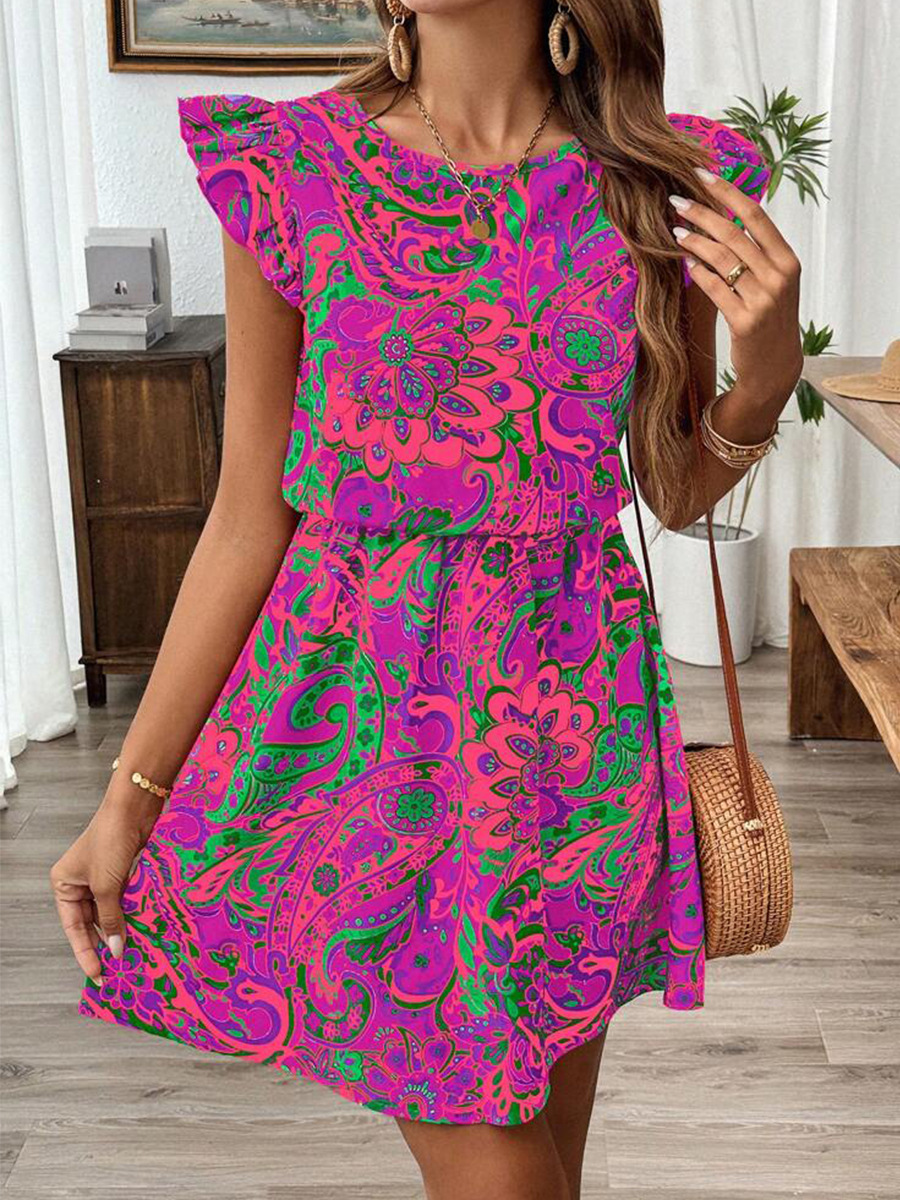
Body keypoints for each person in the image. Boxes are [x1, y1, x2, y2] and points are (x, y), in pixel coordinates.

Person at [50, 2, 802, 1197]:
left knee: (546, 1165)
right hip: (361, 736)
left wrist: (763, 384)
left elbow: (667, 485)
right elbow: (248, 516)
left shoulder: (654, 183)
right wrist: (129, 796)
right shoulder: (295, 170)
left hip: (574, 738)